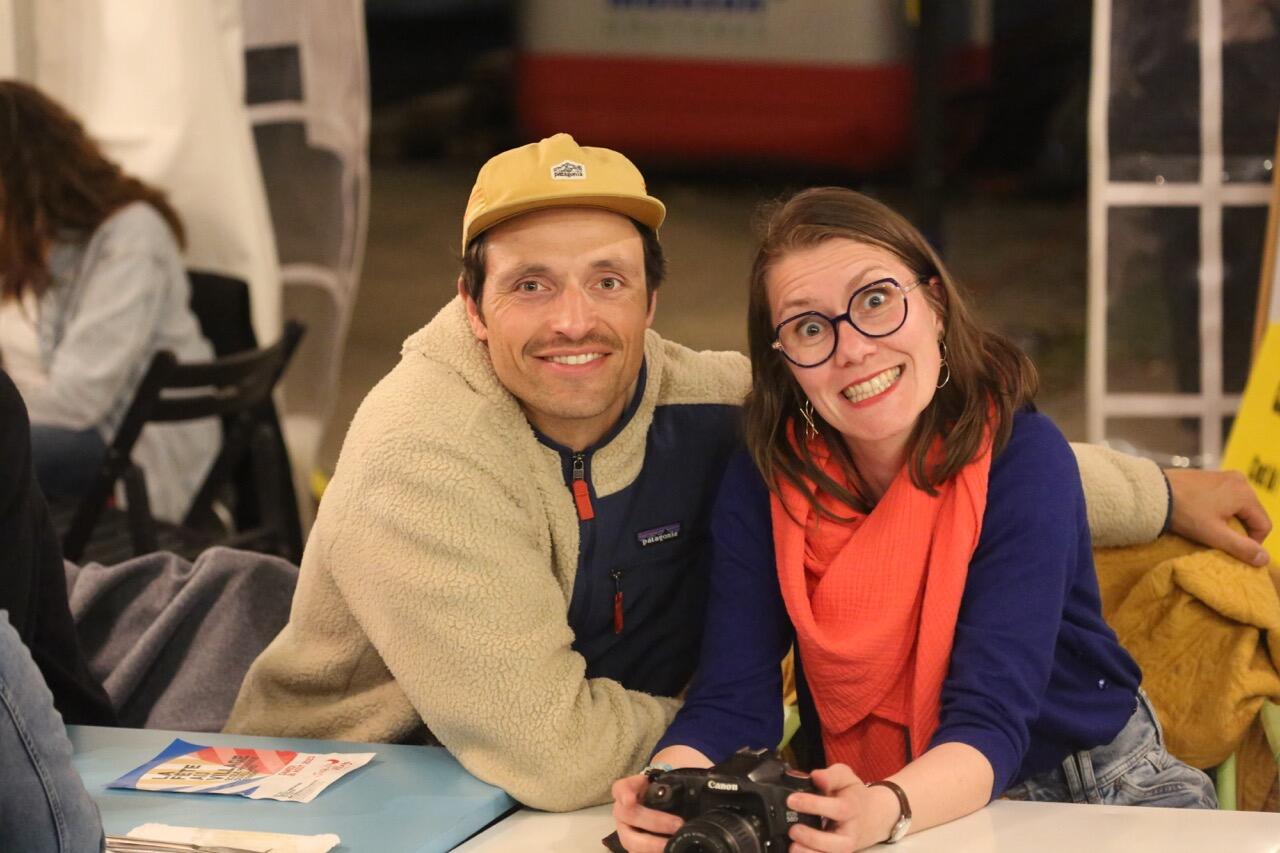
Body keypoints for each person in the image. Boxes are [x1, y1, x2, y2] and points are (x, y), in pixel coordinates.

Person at [226, 135, 1269, 812]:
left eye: (606, 280)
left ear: (649, 305)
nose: (574, 320)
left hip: (1010, 777)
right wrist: (712, 758)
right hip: (378, 782)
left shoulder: (713, 400)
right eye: (530, 284)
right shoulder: (427, 455)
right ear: (471, 305)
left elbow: (970, 452)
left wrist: (1162, 491)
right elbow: (565, 744)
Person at [612, 188, 1224, 852]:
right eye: (809, 328)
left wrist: (883, 810)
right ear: (785, 363)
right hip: (873, 801)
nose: (852, 348)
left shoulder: (1024, 459)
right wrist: (666, 790)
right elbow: (732, 701)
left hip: (1087, 791)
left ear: (934, 305)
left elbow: (990, 721)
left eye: (875, 300)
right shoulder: (764, 479)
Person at [0, 80, 217, 520]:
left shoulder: (131, 236)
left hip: (126, 448)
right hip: (55, 433)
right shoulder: (29, 242)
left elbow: (78, 401)